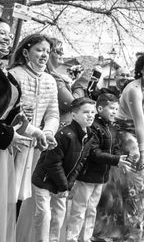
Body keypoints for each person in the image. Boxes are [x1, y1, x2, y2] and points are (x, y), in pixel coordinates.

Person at [92, 52, 144, 242]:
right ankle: (111, 233)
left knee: (132, 186)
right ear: (140, 69)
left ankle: (130, 233)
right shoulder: (133, 89)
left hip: (136, 131)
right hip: (123, 135)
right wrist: (143, 153)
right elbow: (138, 122)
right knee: (126, 185)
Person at [11, 34, 60, 241]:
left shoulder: (50, 80)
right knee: (9, 195)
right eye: (39, 50)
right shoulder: (13, 75)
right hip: (13, 144)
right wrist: (35, 131)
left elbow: (53, 113)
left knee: (30, 199)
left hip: (37, 148)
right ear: (25, 51)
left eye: (47, 52)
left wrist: (48, 132)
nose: (44, 55)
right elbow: (12, 114)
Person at [65, 93, 130, 242]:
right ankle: (72, 238)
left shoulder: (110, 127)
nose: (115, 112)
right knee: (79, 210)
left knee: (91, 210)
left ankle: (86, 238)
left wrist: (119, 159)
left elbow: (116, 148)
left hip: (101, 176)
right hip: (87, 176)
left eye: (116, 109)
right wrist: (116, 159)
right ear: (100, 108)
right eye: (112, 108)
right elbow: (94, 153)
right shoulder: (93, 127)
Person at [31, 97, 96, 242]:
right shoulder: (64, 134)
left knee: (58, 218)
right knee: (44, 215)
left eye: (93, 112)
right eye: (86, 112)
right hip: (44, 180)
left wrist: (68, 185)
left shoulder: (89, 135)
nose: (91, 115)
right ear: (73, 115)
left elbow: (81, 162)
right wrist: (63, 186)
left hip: (62, 183)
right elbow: (52, 163)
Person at [0, 18, 32, 242]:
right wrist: (7, 134)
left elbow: (8, 112)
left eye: (9, 35)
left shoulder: (6, 74)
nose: (6, 38)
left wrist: (21, 120)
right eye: (0, 33)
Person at [46, 37, 79, 127]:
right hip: (57, 128)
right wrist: (80, 84)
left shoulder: (55, 75)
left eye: (62, 50)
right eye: (59, 51)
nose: (62, 53)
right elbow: (73, 105)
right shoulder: (53, 77)